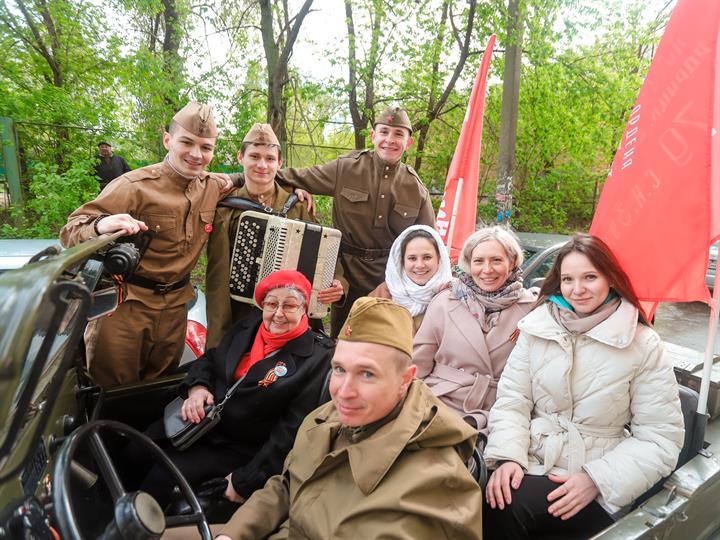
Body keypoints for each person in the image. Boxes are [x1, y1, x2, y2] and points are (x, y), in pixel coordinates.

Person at [163, 297, 483, 540]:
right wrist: (233, 534)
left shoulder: (434, 488)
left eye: (367, 374)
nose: (344, 391)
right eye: (339, 369)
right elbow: (286, 485)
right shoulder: (326, 417)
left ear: (406, 379)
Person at [483, 233, 684, 540]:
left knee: (513, 506)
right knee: (494, 498)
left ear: (611, 279)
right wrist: (509, 457)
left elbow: (660, 438)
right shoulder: (537, 327)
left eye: (590, 277)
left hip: (600, 480)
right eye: (568, 279)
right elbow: (513, 400)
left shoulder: (643, 344)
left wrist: (595, 480)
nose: (577, 290)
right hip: (532, 463)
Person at [60, 101, 238, 388]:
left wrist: (294, 189)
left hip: (176, 308)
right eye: (187, 143)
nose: (196, 154)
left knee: (159, 390)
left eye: (206, 147)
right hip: (126, 307)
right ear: (168, 140)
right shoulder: (133, 185)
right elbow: (71, 230)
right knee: (113, 393)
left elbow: (253, 178)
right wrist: (101, 225)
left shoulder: (212, 186)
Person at [233, 106, 435, 337]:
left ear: (408, 142)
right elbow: (282, 174)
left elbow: (430, 245)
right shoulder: (346, 168)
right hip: (345, 275)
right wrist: (231, 180)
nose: (390, 140)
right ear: (373, 136)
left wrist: (402, 284)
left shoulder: (416, 189)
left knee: (384, 342)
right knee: (342, 340)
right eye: (384, 132)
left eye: (398, 134)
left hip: (391, 280)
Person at [137, 270, 334, 508]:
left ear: (304, 309)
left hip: (239, 447)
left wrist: (246, 481)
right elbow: (211, 359)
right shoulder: (249, 327)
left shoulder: (317, 358)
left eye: (290, 306)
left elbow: (290, 433)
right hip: (200, 422)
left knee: (163, 475)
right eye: (271, 304)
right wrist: (198, 387)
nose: (279, 313)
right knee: (136, 448)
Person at [205, 123, 346, 348]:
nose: (262, 165)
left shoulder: (297, 206)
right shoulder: (225, 209)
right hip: (243, 318)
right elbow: (217, 279)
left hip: (292, 319)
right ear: (240, 157)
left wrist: (339, 283)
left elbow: (324, 251)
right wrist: (218, 343)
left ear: (279, 164)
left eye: (270, 159)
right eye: (254, 156)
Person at [413, 226, 537, 434]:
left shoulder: (531, 308)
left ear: (512, 262)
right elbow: (418, 365)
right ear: (469, 265)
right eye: (478, 261)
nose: (487, 270)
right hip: (438, 403)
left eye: (496, 260)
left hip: (498, 412)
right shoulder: (444, 301)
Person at [368, 224, 452, 333]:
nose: (420, 265)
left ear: (439, 258)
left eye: (427, 257)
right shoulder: (382, 295)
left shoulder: (453, 295)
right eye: (412, 258)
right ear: (402, 261)